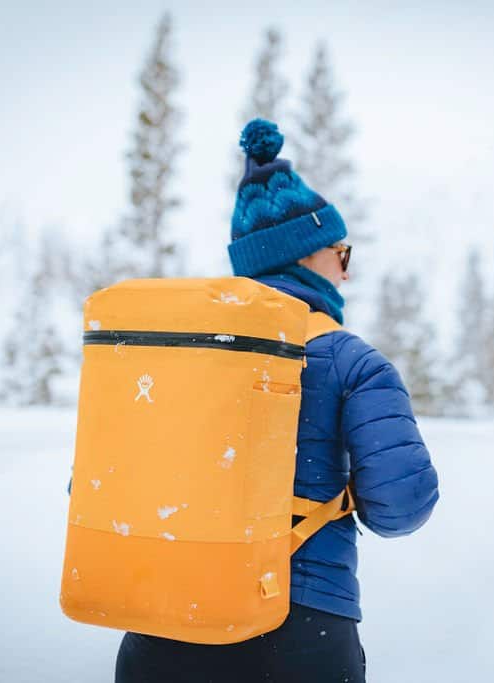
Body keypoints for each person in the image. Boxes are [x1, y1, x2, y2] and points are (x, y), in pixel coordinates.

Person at [114, 119, 440, 682]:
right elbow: (403, 505)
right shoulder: (350, 361)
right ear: (305, 255)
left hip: (166, 618)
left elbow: (103, 482)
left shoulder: (170, 350)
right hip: (300, 628)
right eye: (342, 251)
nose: (346, 267)